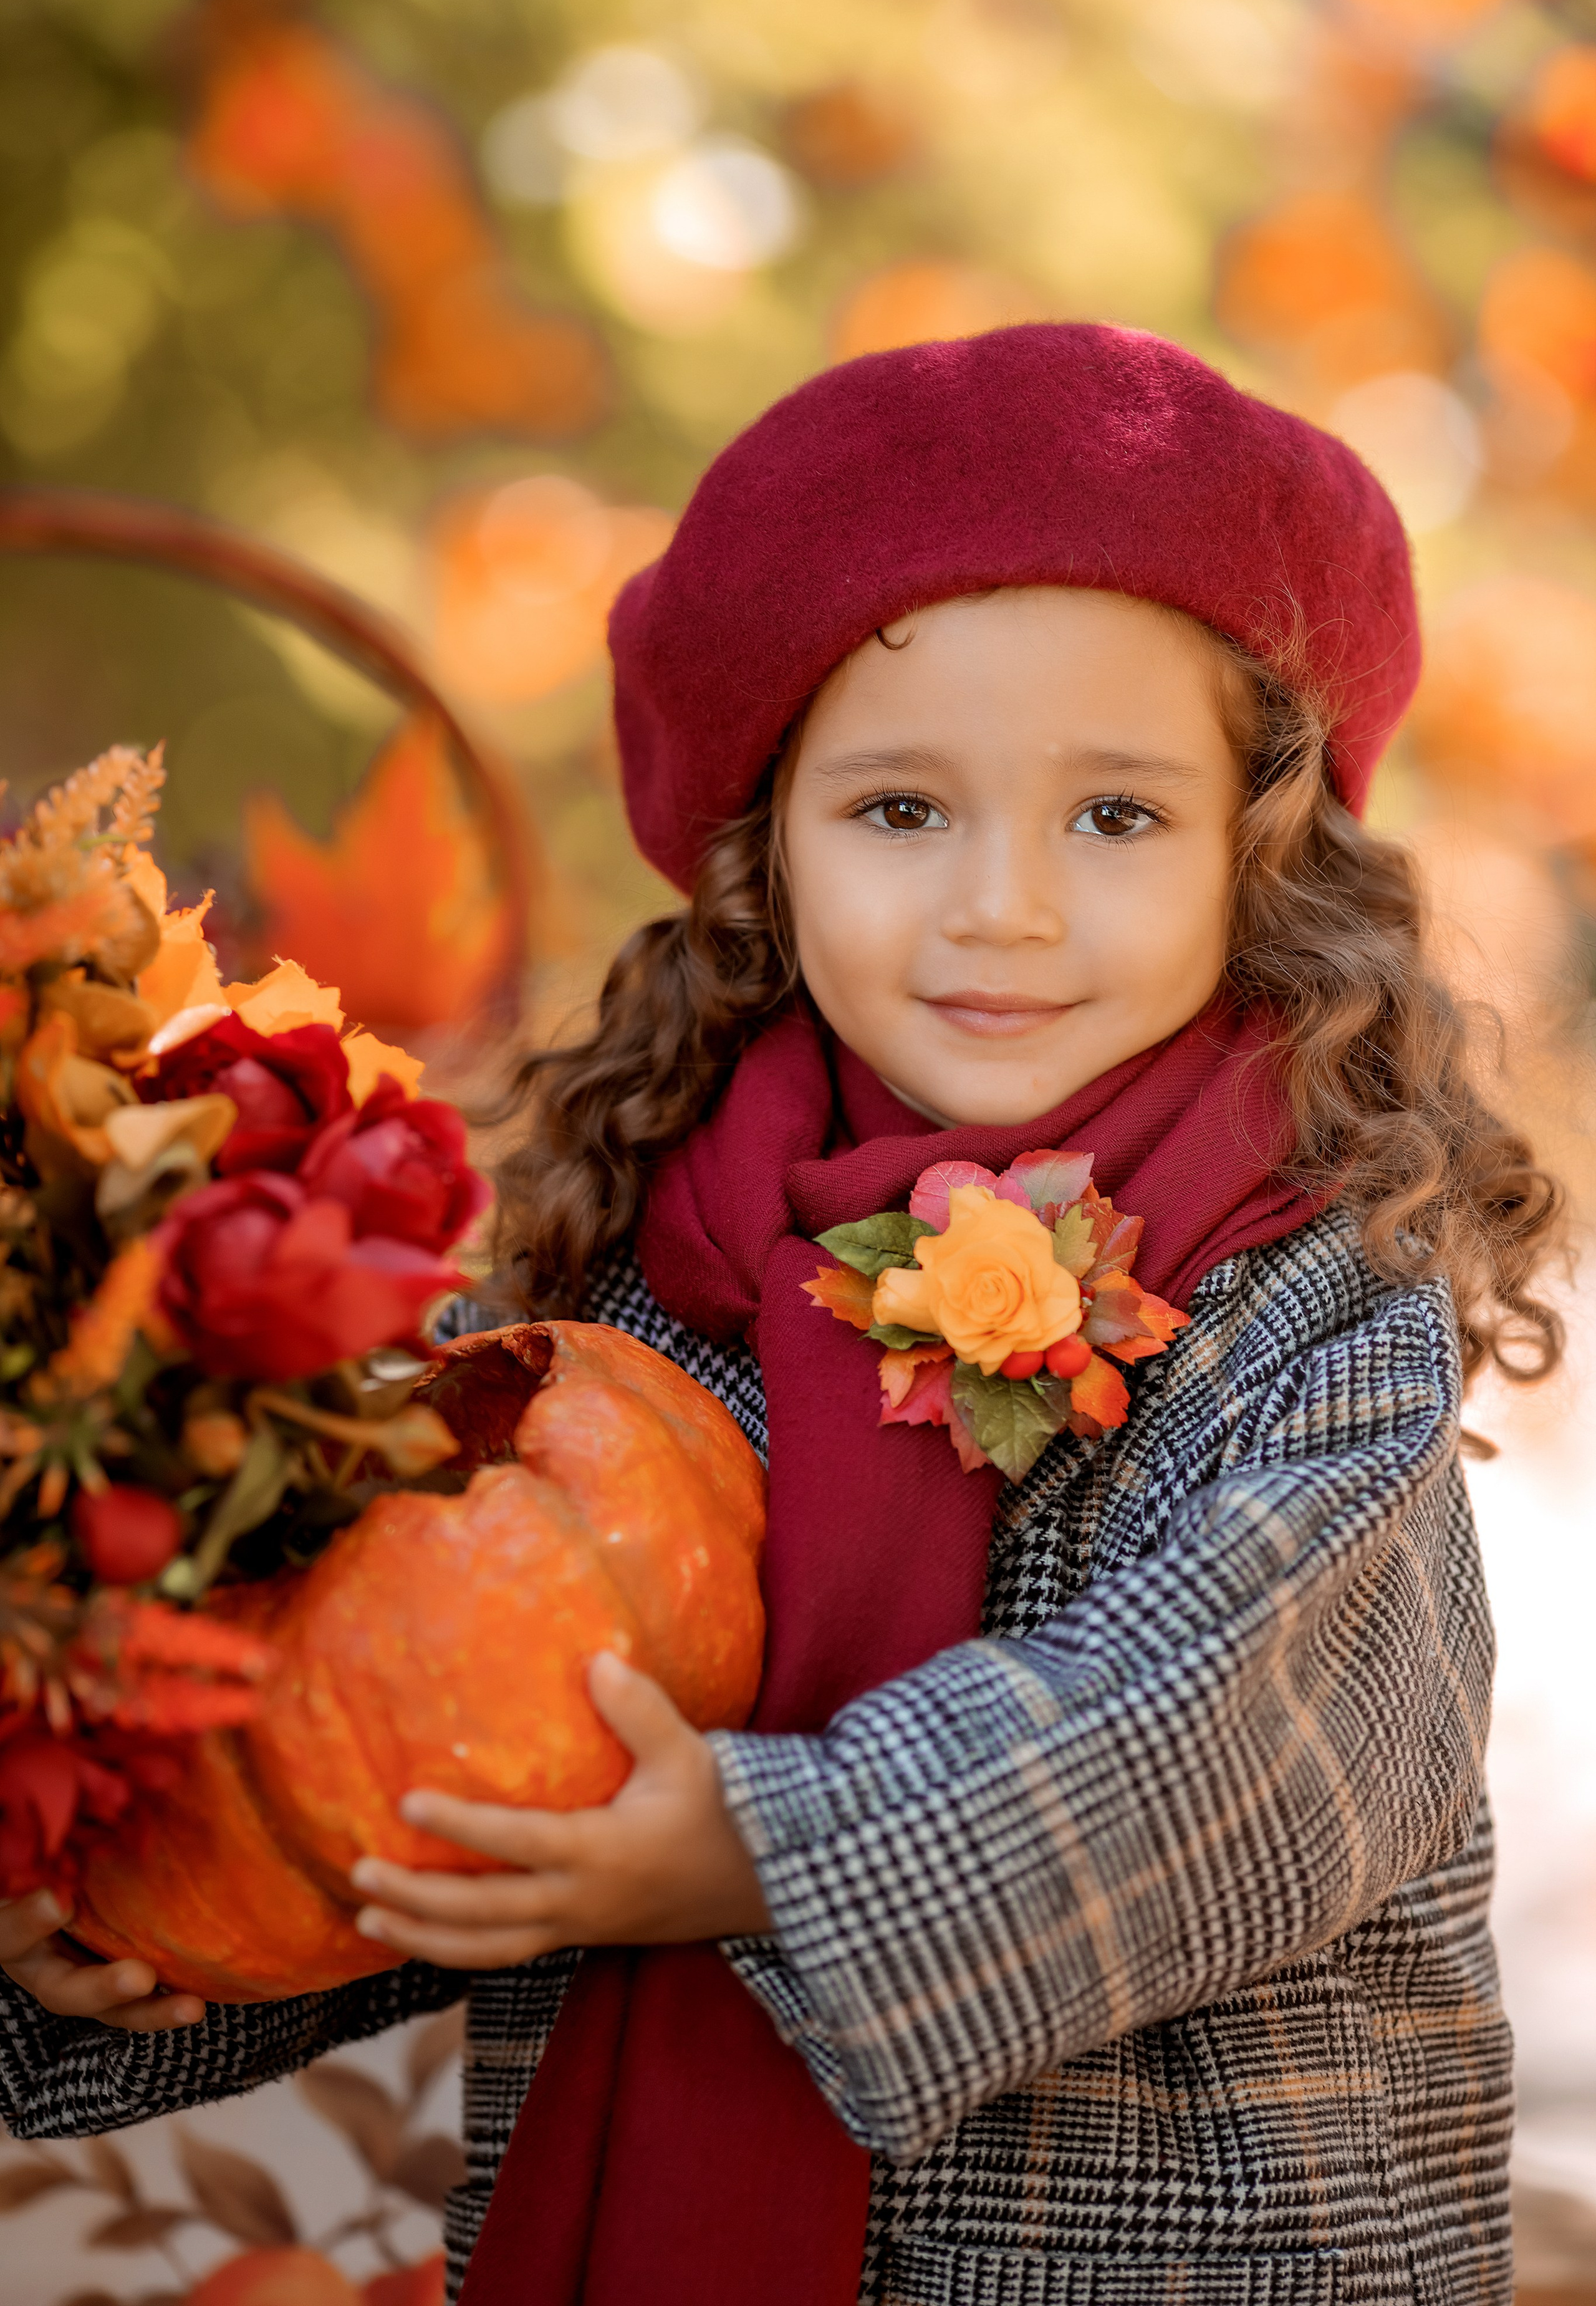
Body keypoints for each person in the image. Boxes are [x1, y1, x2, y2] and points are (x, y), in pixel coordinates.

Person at [0, 326, 1564, 2306]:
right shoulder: (625, 1294)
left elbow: (1223, 1752)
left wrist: (761, 1850)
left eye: (1117, 817)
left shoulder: (1318, 1300)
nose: (1002, 904)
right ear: (765, 854)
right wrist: (127, 1934)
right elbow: (386, 1732)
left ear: (1265, 861)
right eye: (902, 812)